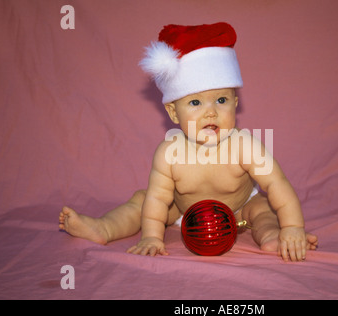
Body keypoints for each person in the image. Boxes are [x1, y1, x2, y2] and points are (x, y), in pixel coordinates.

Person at [59, 22, 318, 262]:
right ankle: (104, 227)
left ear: (236, 104)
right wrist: (151, 236)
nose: (211, 112)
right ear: (173, 113)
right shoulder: (169, 152)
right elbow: (160, 200)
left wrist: (293, 226)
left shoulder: (245, 145)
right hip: (182, 213)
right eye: (195, 102)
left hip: (239, 209)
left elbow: (277, 185)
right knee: (143, 200)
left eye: (221, 100)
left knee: (263, 209)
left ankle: (275, 237)